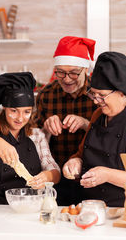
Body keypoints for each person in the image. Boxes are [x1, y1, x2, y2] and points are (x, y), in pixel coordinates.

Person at [62, 52, 126, 240]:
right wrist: (75, 162)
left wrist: (108, 175)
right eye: (93, 94)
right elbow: (81, 154)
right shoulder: (97, 116)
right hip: (98, 215)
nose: (96, 101)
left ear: (122, 92)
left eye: (102, 96)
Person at [0, 72, 61, 204]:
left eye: (27, 112)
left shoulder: (37, 136)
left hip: (29, 206)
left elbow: (54, 171)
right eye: (14, 111)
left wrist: (47, 176)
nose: (20, 118)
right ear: (5, 108)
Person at [34, 36, 98, 206]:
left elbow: (111, 135)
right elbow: (32, 138)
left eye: (73, 73)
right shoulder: (45, 95)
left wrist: (86, 124)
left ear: (86, 69)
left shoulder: (99, 94)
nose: (67, 79)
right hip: (56, 179)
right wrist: (46, 128)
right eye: (60, 72)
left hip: (92, 178)